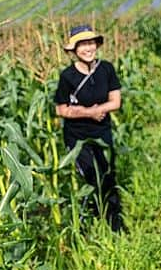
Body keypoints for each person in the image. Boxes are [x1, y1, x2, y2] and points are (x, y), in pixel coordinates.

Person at [53, 25, 124, 232]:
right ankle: (91, 222)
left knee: (108, 175)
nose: (88, 48)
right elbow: (61, 109)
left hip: (102, 132)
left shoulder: (106, 69)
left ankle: (115, 225)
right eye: (82, 44)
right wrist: (88, 112)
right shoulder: (67, 76)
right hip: (78, 137)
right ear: (74, 50)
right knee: (91, 177)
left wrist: (99, 110)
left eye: (91, 43)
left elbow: (115, 102)